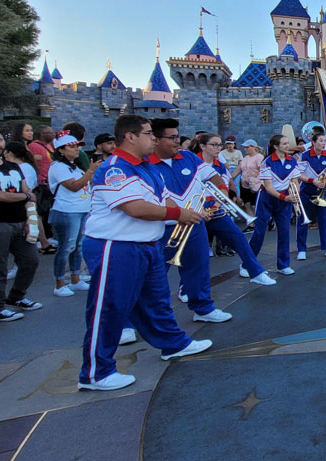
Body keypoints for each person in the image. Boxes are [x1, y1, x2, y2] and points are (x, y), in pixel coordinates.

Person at [78, 115, 213, 390]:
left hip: (146, 244)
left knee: (156, 300)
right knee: (110, 308)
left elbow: (166, 199)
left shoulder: (146, 168)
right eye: (148, 133)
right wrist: (180, 214)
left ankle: (173, 344)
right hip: (115, 245)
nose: (154, 138)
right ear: (129, 136)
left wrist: (196, 212)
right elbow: (135, 208)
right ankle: (96, 373)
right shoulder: (114, 168)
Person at [148, 119, 232, 321]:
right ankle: (133, 322)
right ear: (156, 140)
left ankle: (203, 309)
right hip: (161, 227)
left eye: (178, 136)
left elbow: (214, 177)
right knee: (151, 276)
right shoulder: (145, 163)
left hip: (193, 224)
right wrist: (184, 212)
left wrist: (220, 199)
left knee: (198, 268)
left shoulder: (188, 157)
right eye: (172, 137)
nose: (177, 141)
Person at [193, 134, 275, 285]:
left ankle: (254, 271)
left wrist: (221, 203)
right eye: (214, 145)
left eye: (219, 145)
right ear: (203, 146)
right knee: (196, 251)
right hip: (195, 210)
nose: (219, 148)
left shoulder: (219, 164)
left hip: (215, 209)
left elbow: (224, 184)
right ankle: (186, 287)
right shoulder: (192, 162)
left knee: (239, 237)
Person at [0, 127, 41, 322]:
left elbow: (30, 194)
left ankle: (16, 297)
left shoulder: (13, 167)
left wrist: (30, 219)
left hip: (20, 223)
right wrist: (26, 196)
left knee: (31, 260)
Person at [48, 130, 99, 296]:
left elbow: (84, 184)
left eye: (77, 145)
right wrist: (90, 171)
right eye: (72, 146)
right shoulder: (58, 167)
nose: (76, 149)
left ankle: (75, 279)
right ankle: (59, 283)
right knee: (66, 247)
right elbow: (74, 186)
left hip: (81, 210)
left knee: (78, 246)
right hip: (66, 211)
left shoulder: (75, 167)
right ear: (61, 150)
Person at [248, 134, 302, 271]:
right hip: (267, 198)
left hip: (284, 198)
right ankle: (247, 264)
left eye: (287, 143)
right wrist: (285, 198)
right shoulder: (267, 162)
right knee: (259, 232)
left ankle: (283, 265)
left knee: (284, 232)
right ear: (276, 146)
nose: (287, 146)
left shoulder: (292, 161)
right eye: (284, 144)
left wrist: (296, 193)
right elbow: (269, 187)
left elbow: (295, 180)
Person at [4, 140, 55, 254]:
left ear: (10, 153)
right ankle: (44, 243)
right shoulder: (27, 166)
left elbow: (23, 187)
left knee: (24, 237)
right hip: (28, 200)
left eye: (5, 152)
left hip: (24, 202)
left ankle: (43, 244)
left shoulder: (21, 168)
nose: (4, 155)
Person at [295, 132, 326, 260]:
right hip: (306, 191)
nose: (323, 143)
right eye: (320, 141)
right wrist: (312, 180)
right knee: (303, 221)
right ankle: (301, 249)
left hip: (322, 192)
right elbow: (299, 174)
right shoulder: (305, 155)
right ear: (313, 142)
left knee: (325, 220)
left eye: (324, 141)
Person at [237, 139, 264, 211]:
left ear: (254, 147)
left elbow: (262, 170)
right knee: (247, 204)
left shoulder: (259, 157)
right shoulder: (245, 158)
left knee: (254, 205)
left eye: (247, 147)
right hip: (245, 185)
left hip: (255, 184)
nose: (245, 149)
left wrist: (255, 179)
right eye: (244, 147)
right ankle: (251, 221)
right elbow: (238, 169)